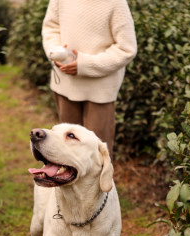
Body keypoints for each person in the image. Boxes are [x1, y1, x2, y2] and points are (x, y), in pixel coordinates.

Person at [42, 0, 137, 158]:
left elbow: (126, 48)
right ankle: (66, 184)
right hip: (65, 84)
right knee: (65, 151)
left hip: (100, 91)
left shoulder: (116, 3)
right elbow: (51, 28)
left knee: (96, 155)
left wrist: (85, 65)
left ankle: (99, 184)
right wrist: (55, 52)